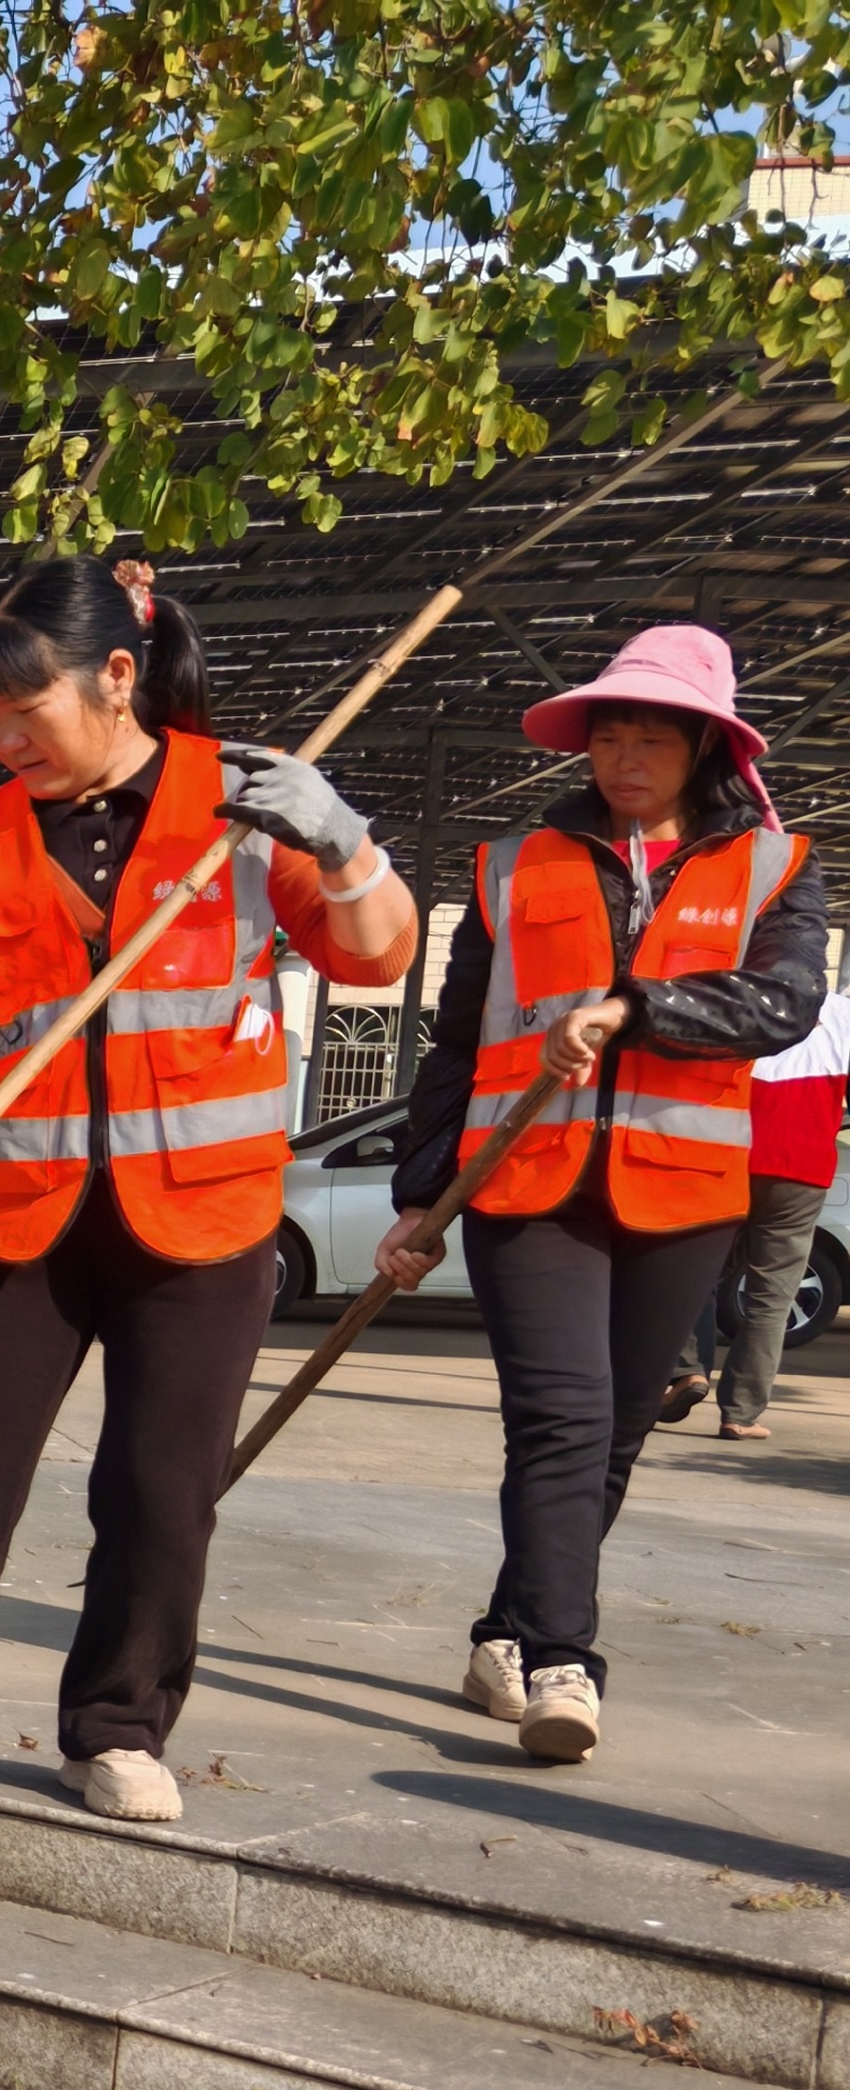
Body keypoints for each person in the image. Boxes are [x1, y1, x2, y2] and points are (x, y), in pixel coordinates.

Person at [0, 559, 419, 1905]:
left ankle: (118, 1727)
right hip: (12, 1212)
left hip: (201, 1220)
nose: (3, 739)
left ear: (117, 677)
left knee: (157, 1495)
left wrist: (346, 841)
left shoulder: (246, 813)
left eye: (25, 711)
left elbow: (377, 958)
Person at [375, 626, 827, 1760]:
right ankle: (565, 1663)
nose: (626, 755)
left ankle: (504, 1632)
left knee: (616, 1431)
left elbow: (783, 1007)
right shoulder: (510, 866)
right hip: (527, 1187)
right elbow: (459, 1043)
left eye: (653, 737)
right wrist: (421, 1197)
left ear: (705, 749)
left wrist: (638, 1009)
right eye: (609, 734)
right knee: (562, 1418)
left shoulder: (776, 867)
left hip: (684, 1194)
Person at [666, 987, 850, 1437]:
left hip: (724, 1156)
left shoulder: (732, 997)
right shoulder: (844, 1017)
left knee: (694, 1274)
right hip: (799, 1170)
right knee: (772, 1297)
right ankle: (741, 1414)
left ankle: (685, 1371)